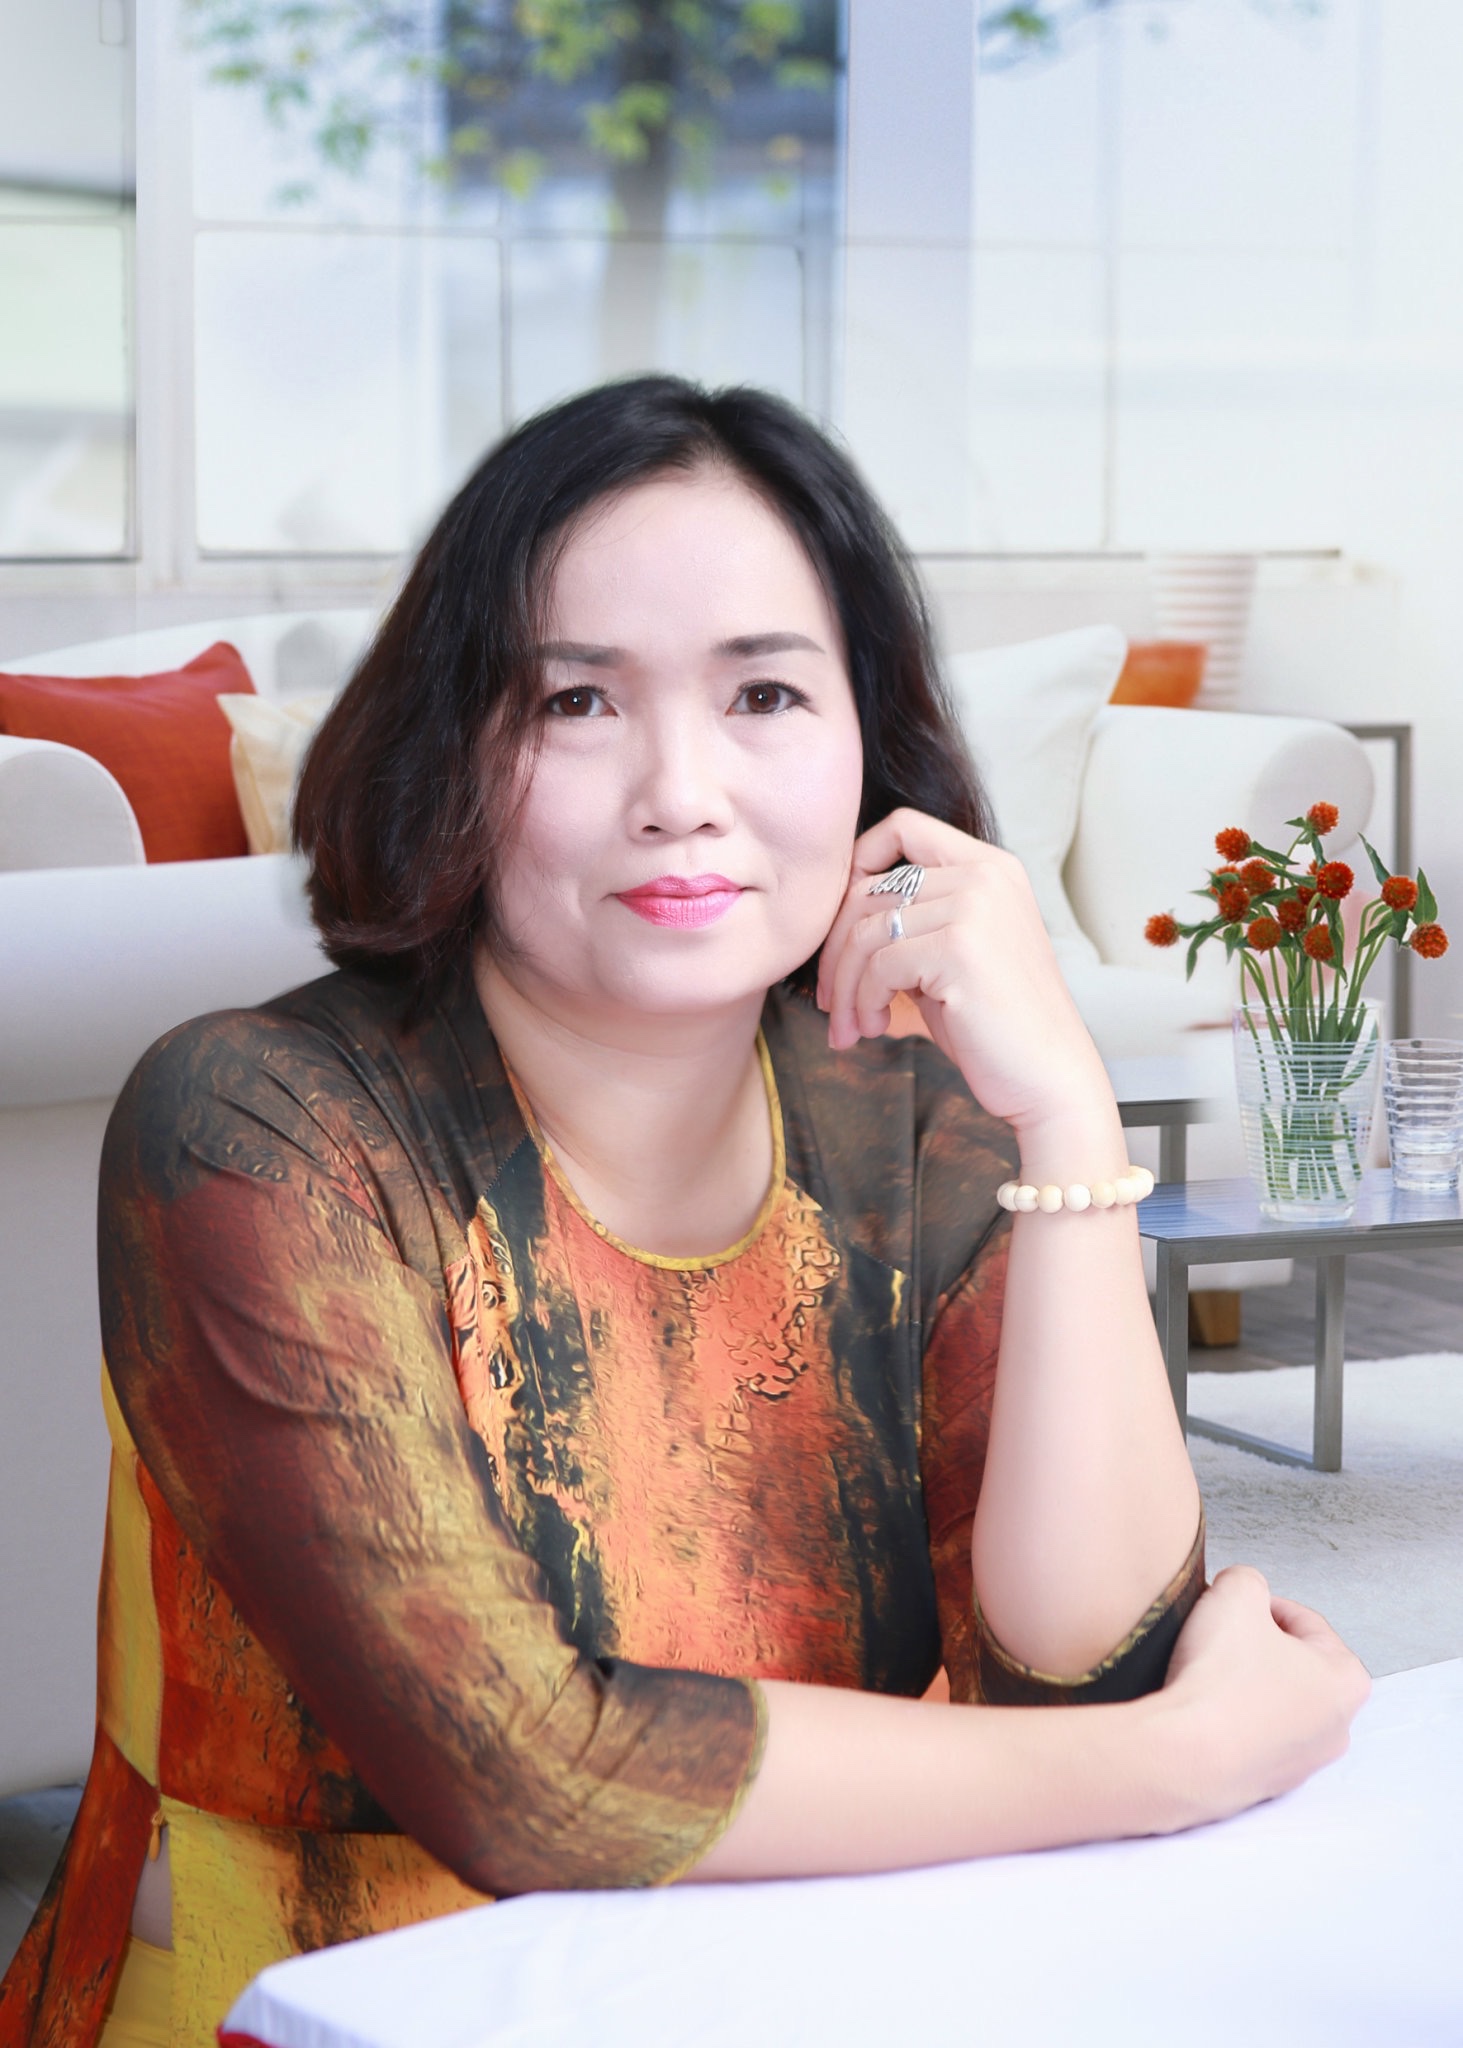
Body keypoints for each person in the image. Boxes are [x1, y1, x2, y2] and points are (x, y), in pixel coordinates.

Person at [0, 377, 1368, 2048]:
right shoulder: (256, 1125)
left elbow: (1083, 1668)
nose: (680, 791)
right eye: (577, 701)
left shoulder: (911, 1121)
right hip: (320, 2007)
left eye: (766, 694)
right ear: (452, 746)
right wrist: (1177, 1764)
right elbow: (532, 1779)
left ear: (870, 744)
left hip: (796, 1989)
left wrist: (1067, 1116)